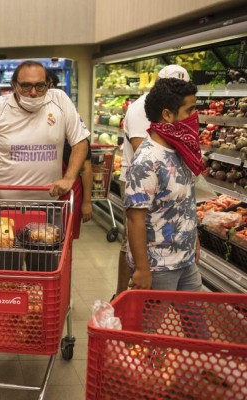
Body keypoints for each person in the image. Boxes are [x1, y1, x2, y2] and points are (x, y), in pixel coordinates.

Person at [0, 60, 89, 271]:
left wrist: (70, 176)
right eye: (26, 86)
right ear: (15, 85)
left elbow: (80, 141)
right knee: (7, 274)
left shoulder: (59, 100)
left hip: (48, 206)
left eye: (40, 86)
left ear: (48, 85)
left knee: (45, 273)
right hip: (5, 209)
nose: (33, 92)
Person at [115, 65, 190, 296]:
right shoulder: (140, 110)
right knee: (133, 237)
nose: (193, 117)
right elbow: (143, 152)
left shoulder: (175, 144)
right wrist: (142, 267)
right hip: (145, 186)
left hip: (180, 253)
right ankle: (121, 296)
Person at [125, 78, 203, 291]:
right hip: (158, 266)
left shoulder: (181, 150)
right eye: (190, 110)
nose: (195, 117)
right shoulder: (147, 161)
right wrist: (142, 269)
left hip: (185, 260)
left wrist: (193, 239)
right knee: (148, 324)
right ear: (168, 115)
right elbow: (135, 218)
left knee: (197, 323)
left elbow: (185, 202)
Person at [47, 70, 93, 238]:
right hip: (40, 194)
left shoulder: (71, 123)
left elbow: (86, 167)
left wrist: (87, 202)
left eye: (43, 86)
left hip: (68, 192)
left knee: (62, 242)